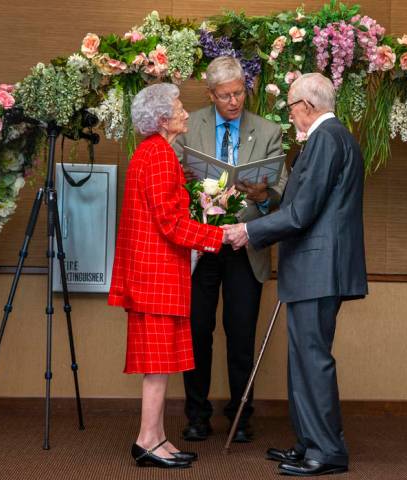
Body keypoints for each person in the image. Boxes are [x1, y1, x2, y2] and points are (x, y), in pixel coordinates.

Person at [223, 73, 368, 476]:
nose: (289, 116)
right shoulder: (334, 138)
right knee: (302, 359)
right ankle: (307, 444)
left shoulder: (325, 138)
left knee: (312, 360)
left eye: (289, 107)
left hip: (318, 268)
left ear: (307, 106)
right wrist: (265, 203)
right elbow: (301, 205)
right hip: (314, 268)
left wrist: (247, 231)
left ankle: (326, 451)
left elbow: (302, 214)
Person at [108, 83, 224, 469]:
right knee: (157, 365)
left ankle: (156, 437)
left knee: (160, 362)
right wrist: (219, 236)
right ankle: (146, 441)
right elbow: (171, 223)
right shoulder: (158, 154)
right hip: (155, 276)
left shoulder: (152, 152)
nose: (185, 112)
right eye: (178, 107)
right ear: (161, 119)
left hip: (152, 274)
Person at [173, 56, 286, 443]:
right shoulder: (189, 127)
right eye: (225, 96)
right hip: (201, 248)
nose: (234, 101)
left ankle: (241, 415)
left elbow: (281, 192)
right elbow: (170, 187)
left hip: (245, 246)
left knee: (241, 334)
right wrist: (185, 183)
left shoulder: (268, 130)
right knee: (197, 332)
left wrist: (265, 195)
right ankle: (197, 415)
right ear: (211, 95)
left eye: (239, 93)